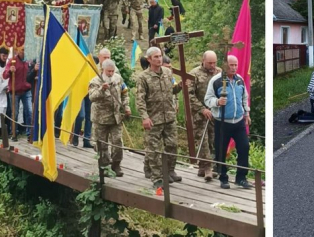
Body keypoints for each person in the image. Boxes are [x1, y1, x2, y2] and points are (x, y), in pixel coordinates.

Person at [137, 47, 183, 189]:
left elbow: (172, 89)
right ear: (149, 59)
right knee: (154, 149)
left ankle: (169, 171)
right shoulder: (143, 77)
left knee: (172, 145)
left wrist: (180, 86)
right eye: (155, 57)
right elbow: (140, 100)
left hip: (169, 117)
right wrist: (144, 117)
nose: (159, 59)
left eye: (160, 56)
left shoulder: (168, 73)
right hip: (153, 118)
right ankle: (156, 177)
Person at [204, 55, 252, 189]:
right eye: (231, 65)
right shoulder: (216, 81)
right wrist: (217, 102)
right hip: (222, 122)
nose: (234, 68)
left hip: (238, 121)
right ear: (225, 65)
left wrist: (246, 113)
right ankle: (223, 177)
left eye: (236, 65)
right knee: (221, 150)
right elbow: (207, 99)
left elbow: (244, 98)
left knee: (244, 147)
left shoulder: (240, 80)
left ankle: (241, 177)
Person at [89, 59, 131, 176]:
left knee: (117, 141)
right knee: (101, 144)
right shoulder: (95, 81)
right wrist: (101, 89)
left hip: (116, 117)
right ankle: (104, 166)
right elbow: (92, 97)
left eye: (112, 71)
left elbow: (124, 93)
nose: (110, 73)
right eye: (108, 71)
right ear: (103, 70)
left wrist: (126, 106)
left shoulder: (118, 79)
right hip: (100, 118)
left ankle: (116, 165)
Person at [187, 51, 221, 181]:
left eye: (214, 63)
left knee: (212, 140)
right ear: (203, 61)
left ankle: (202, 167)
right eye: (209, 63)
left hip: (215, 112)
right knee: (203, 141)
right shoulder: (194, 74)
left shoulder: (219, 72)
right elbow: (189, 95)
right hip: (199, 114)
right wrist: (201, 109)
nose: (212, 65)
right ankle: (207, 168)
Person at [3, 49, 36, 137]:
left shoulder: (30, 61)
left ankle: (29, 132)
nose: (24, 52)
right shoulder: (12, 61)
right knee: (15, 112)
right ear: (18, 51)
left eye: (25, 50)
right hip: (15, 91)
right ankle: (14, 131)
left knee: (29, 111)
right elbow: (5, 75)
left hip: (26, 90)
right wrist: (10, 70)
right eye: (22, 50)